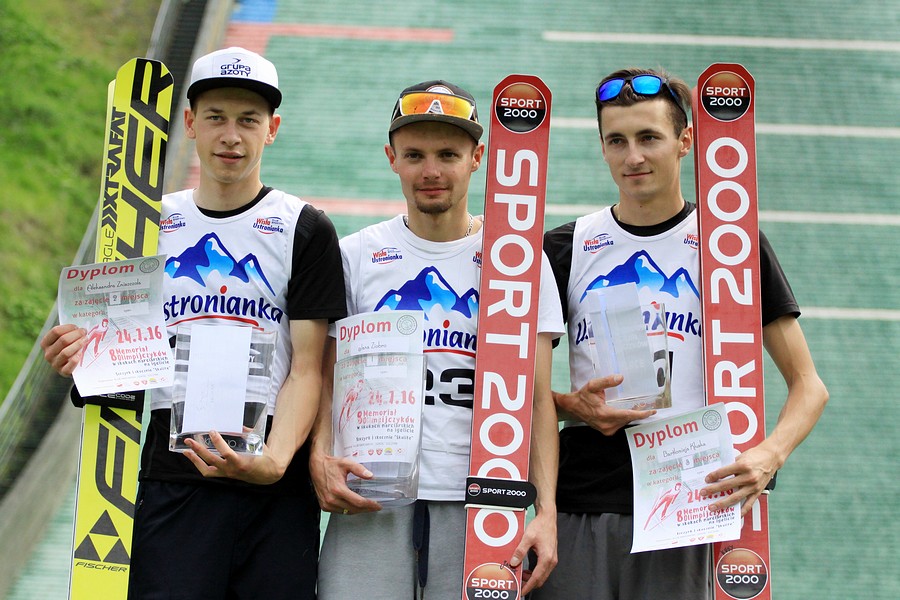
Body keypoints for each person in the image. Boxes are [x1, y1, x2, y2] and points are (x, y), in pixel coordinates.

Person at [40, 47, 346, 599]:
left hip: (273, 485)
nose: (231, 136)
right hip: (172, 478)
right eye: (216, 118)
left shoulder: (304, 228)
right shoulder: (144, 226)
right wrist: (80, 356)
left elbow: (308, 369)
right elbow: (118, 355)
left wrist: (274, 461)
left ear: (272, 129)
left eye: (248, 120)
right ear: (189, 123)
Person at [533, 68, 829, 600]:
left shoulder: (731, 244)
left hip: (689, 507)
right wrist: (572, 406)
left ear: (685, 140)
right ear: (602, 147)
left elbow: (809, 386)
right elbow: (520, 395)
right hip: (582, 505)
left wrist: (770, 455)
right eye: (617, 141)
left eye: (649, 138)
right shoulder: (566, 246)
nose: (633, 157)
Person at [309, 80, 564, 599]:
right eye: (415, 155)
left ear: (477, 158)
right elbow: (325, 377)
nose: (431, 171)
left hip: (484, 502)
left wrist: (547, 511)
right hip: (372, 494)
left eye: (448, 154)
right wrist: (320, 454)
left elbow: (537, 399)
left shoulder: (518, 261)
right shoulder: (356, 255)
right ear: (392, 159)